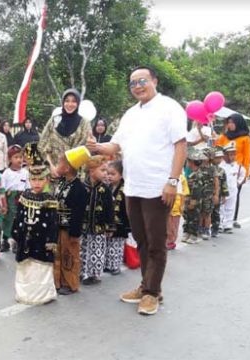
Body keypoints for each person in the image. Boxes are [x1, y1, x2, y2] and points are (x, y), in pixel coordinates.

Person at [87, 66, 187, 315]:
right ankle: (147, 286)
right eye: (132, 83)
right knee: (141, 240)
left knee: (156, 243)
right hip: (133, 187)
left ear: (154, 80)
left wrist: (172, 181)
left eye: (142, 81)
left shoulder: (169, 108)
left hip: (158, 187)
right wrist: (97, 147)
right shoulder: (131, 114)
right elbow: (116, 145)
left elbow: (181, 146)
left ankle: (153, 293)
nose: (138, 86)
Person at [13, 142, 59, 305]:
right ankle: (25, 294)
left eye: (40, 179)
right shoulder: (25, 195)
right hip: (25, 240)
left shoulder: (50, 200)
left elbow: (53, 223)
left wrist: (52, 241)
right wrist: (15, 235)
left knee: (41, 268)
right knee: (26, 268)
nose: (37, 183)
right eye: (33, 179)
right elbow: (18, 217)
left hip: (42, 241)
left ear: (47, 180)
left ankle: (43, 295)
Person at [52, 147, 89, 295]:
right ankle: (57, 281)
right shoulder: (61, 183)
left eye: (59, 163)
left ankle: (70, 283)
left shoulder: (79, 188)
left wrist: (75, 233)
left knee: (69, 255)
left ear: (67, 168)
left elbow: (79, 213)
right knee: (57, 254)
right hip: (58, 226)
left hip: (70, 229)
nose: (57, 165)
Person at [213, 113, 250, 229]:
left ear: (238, 123)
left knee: (234, 194)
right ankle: (219, 220)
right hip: (223, 169)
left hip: (237, 170)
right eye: (228, 122)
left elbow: (247, 156)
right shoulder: (224, 137)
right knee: (221, 195)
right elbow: (217, 148)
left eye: (232, 122)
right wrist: (215, 140)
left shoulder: (245, 138)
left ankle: (232, 219)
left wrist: (245, 174)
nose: (230, 125)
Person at [80, 156, 113, 285]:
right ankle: (80, 272)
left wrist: (109, 226)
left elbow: (109, 209)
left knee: (96, 249)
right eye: (103, 170)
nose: (106, 173)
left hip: (98, 227)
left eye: (106, 170)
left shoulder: (105, 189)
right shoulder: (83, 187)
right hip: (83, 225)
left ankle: (93, 275)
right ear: (91, 171)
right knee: (82, 249)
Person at [39, 88, 92, 170]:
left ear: (78, 103)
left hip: (74, 172)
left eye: (74, 101)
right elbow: (42, 145)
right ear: (63, 102)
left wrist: (67, 167)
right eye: (67, 101)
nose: (70, 104)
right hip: (52, 171)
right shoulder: (54, 120)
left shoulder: (84, 123)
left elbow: (85, 148)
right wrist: (51, 167)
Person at [1, 145, 28, 252]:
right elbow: (2, 189)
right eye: (16, 157)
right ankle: (5, 241)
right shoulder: (6, 173)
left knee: (20, 220)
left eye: (21, 157)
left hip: (22, 199)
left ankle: (17, 242)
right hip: (10, 199)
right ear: (10, 159)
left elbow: (28, 187)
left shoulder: (25, 172)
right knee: (8, 221)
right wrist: (4, 204)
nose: (19, 160)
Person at [105, 160, 130, 271]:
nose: (109, 176)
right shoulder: (107, 187)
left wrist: (127, 224)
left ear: (121, 175)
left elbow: (126, 208)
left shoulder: (125, 189)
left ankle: (115, 266)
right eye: (108, 173)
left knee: (116, 245)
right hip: (110, 221)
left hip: (120, 222)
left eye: (113, 174)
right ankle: (107, 264)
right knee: (108, 244)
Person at [182, 149, 207, 244]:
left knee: (194, 217)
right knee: (187, 216)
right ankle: (187, 232)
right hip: (188, 198)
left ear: (193, 163)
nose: (187, 163)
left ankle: (193, 235)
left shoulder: (198, 175)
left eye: (189, 161)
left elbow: (197, 189)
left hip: (195, 200)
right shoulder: (191, 174)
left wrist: (193, 201)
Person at [219, 142, 245, 233]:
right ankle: (220, 224)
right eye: (230, 154)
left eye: (234, 154)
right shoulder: (220, 165)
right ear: (225, 155)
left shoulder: (238, 166)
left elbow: (243, 174)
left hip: (233, 190)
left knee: (230, 207)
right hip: (222, 190)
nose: (233, 156)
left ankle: (228, 225)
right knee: (221, 207)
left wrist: (238, 183)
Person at [197, 148, 219, 240]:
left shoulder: (212, 168)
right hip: (199, 194)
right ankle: (199, 229)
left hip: (208, 195)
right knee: (199, 213)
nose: (203, 158)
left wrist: (216, 194)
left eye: (205, 155)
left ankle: (206, 229)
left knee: (207, 213)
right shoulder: (198, 167)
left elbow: (216, 182)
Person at [166, 170, 189, 250]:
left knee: (173, 226)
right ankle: (166, 240)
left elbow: (184, 193)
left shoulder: (182, 178)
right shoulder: (167, 176)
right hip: (168, 205)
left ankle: (171, 241)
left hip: (176, 207)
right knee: (167, 225)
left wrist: (182, 206)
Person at [210, 148, 229, 238]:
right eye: (217, 158)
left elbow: (224, 183)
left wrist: (224, 195)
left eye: (221, 158)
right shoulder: (208, 169)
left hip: (218, 194)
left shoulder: (221, 170)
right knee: (205, 212)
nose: (219, 160)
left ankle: (215, 228)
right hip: (207, 194)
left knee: (216, 212)